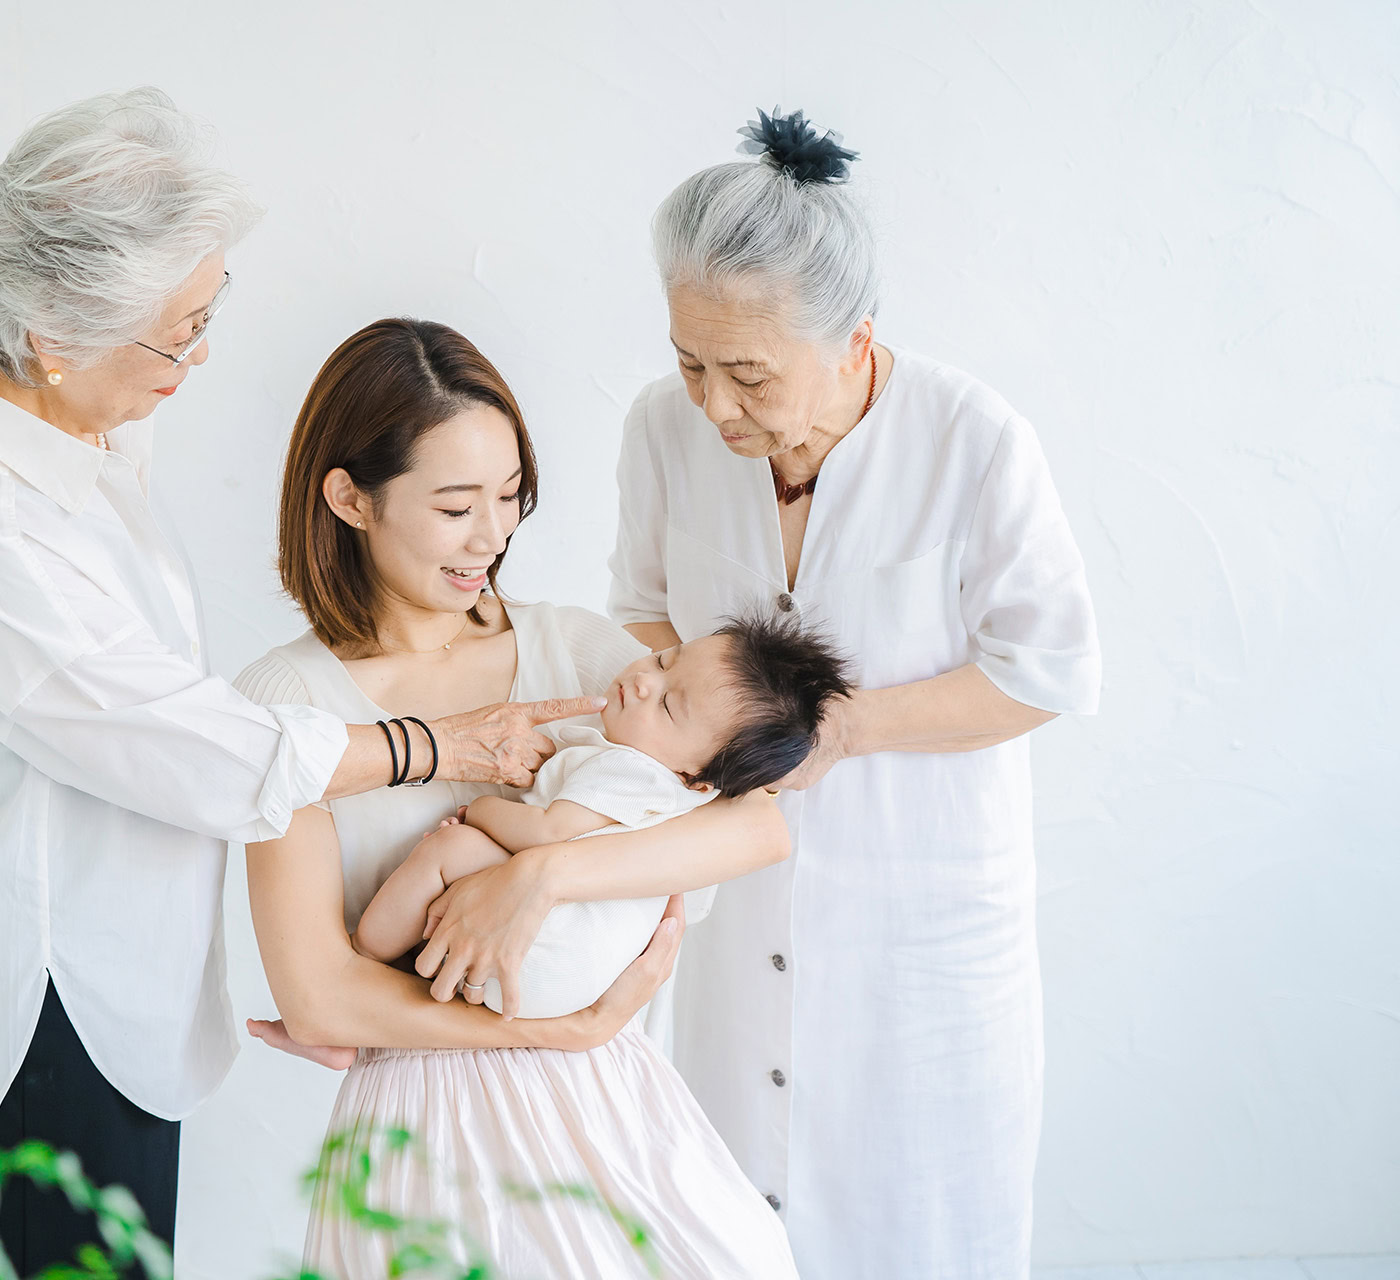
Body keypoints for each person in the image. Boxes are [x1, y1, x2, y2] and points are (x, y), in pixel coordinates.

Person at [0, 90, 598, 1274]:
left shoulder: (48, 394)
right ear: (54, 335)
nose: (198, 361)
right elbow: (199, 753)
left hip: (117, 991)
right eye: (174, 336)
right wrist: (440, 745)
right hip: (43, 1021)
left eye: (207, 315)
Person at [606, 108, 1102, 1278]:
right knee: (728, 1219)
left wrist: (845, 727)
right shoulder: (661, 430)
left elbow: (1051, 666)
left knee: (923, 1218)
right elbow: (640, 603)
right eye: (691, 363)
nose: (715, 405)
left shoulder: (972, 439)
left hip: (924, 913)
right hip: (735, 897)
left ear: (857, 340)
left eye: (749, 373)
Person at [236, 317, 801, 1279]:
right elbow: (317, 993)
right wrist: (552, 1032)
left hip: (608, 1111)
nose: (493, 537)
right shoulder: (287, 707)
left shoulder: (578, 653)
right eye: (457, 506)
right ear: (350, 499)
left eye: (510, 497)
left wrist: (539, 876)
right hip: (427, 1133)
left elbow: (756, 822)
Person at [350, 613, 850, 1019]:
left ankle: (367, 953)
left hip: (545, 949)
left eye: (668, 706)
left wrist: (479, 809)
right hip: (578, 979)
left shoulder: (627, 767)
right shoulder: (683, 792)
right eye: (661, 659)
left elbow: (547, 833)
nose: (641, 682)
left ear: (695, 775)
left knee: (449, 848)